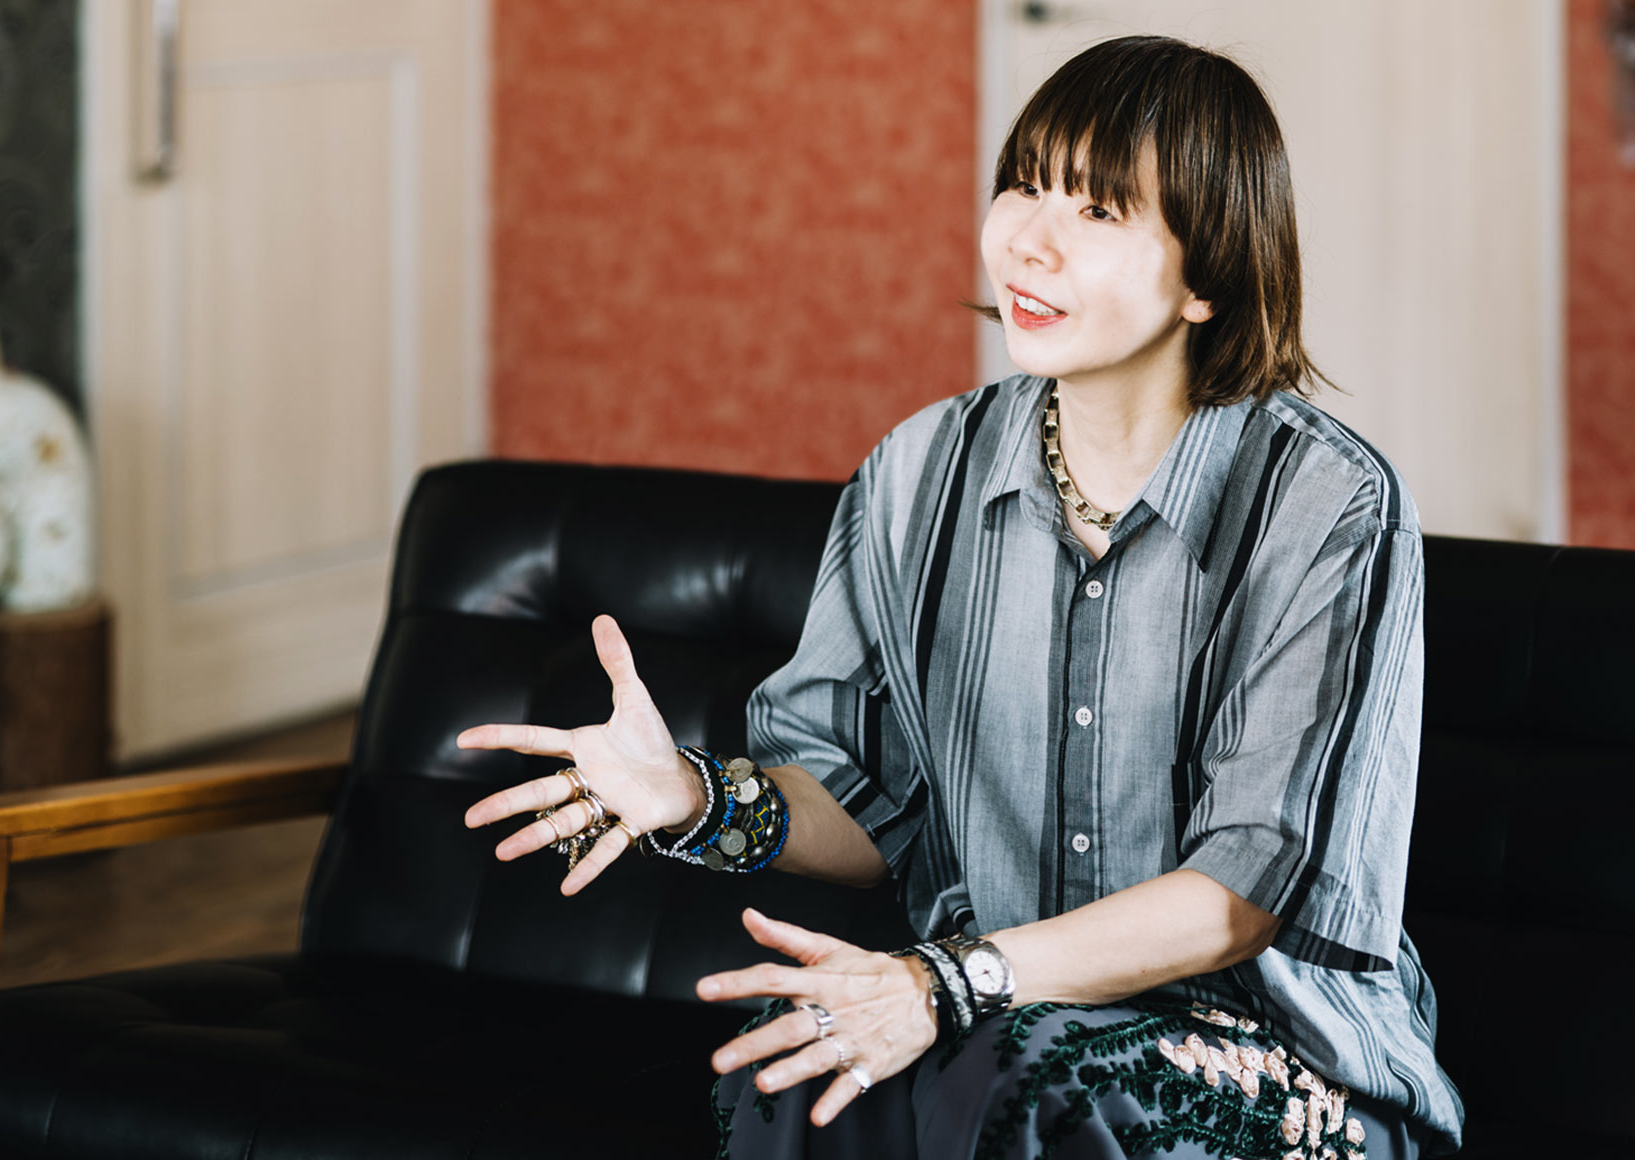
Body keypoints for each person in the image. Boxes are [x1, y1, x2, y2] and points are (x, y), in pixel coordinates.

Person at [458, 35, 1464, 1160]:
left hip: (1274, 1058)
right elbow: (869, 800)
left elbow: (1242, 894)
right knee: (801, 1067)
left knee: (1016, 1080)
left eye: (1097, 210)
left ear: (1207, 279)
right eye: (1023, 185)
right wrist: (692, 796)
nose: (1028, 240)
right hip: (998, 1025)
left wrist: (943, 982)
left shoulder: (1326, 504)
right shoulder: (916, 473)